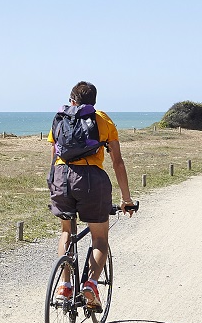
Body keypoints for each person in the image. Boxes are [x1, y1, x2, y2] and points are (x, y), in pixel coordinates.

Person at [48, 81, 136, 310]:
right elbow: (117, 161)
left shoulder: (60, 119)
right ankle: (91, 283)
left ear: (72, 100)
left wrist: (54, 185)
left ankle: (65, 286)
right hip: (91, 181)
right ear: (94, 101)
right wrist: (126, 199)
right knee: (99, 238)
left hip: (61, 178)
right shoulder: (103, 120)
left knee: (66, 231)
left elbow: (53, 157)